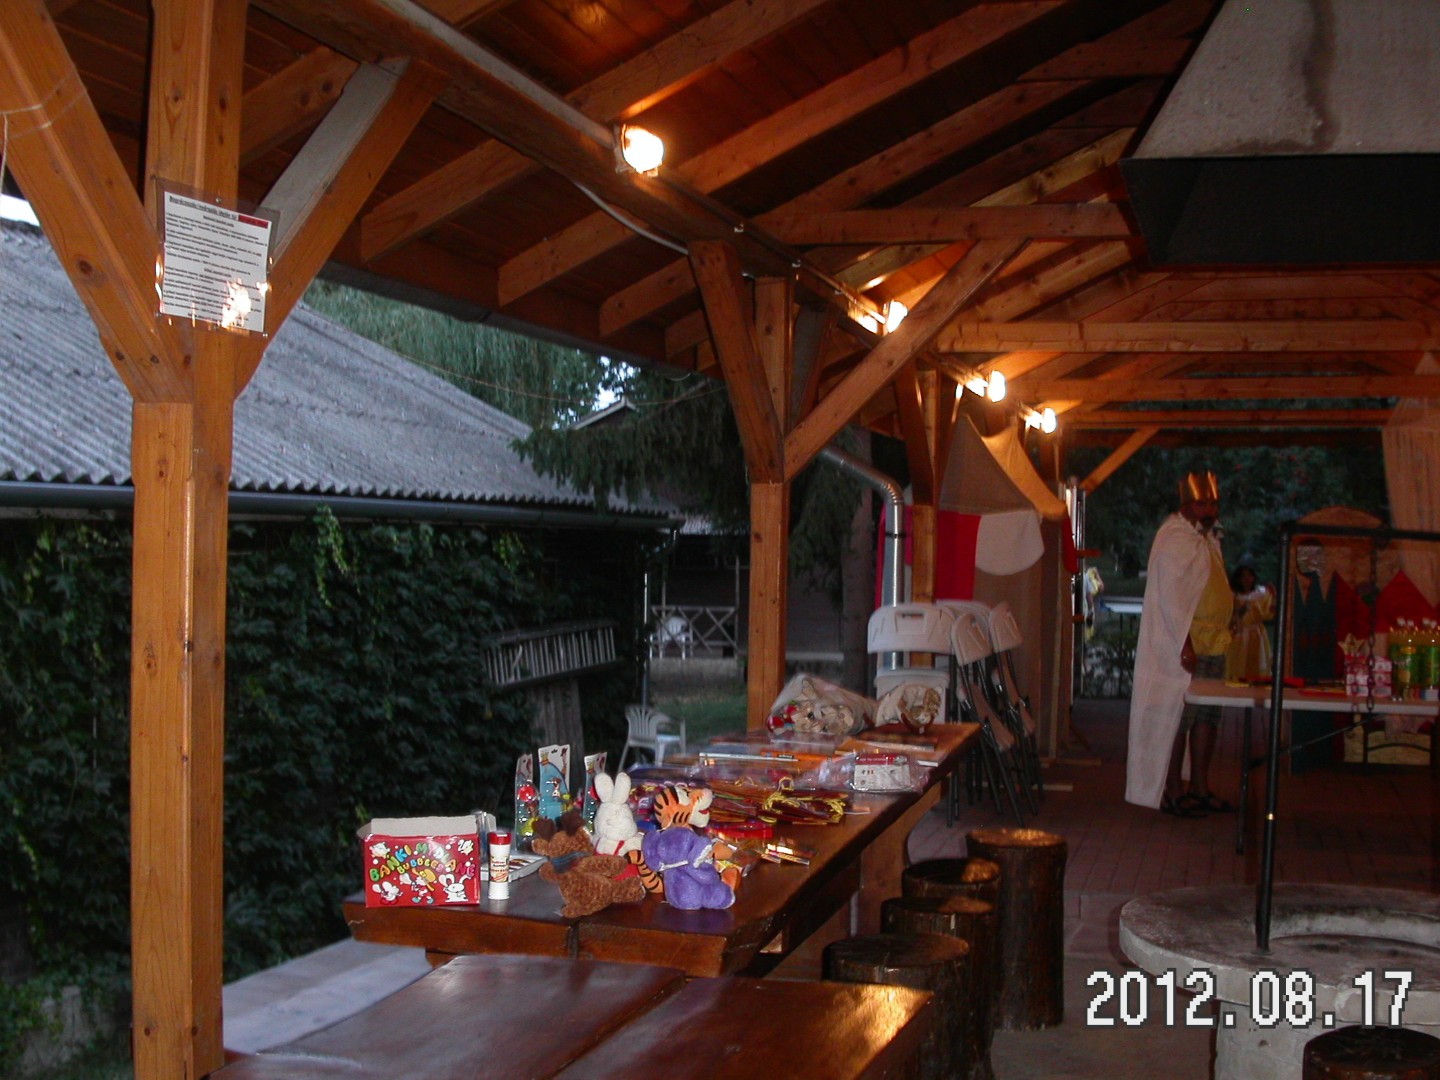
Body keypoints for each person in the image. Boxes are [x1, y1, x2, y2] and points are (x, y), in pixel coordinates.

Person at [1125, 470, 1235, 817]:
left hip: (1215, 642)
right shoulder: (1173, 537)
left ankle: (1199, 787)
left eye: (1213, 504)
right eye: (1203, 504)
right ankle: (1172, 790)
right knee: (1179, 717)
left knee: (1208, 717)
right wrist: (1184, 643)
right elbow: (1170, 597)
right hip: (1186, 644)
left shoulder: (1207, 539)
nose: (1210, 510)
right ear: (1186, 505)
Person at [1226, 564, 1275, 681]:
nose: (1247, 579)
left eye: (1249, 576)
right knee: (1239, 662)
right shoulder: (1233, 596)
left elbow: (1268, 613)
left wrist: (1274, 597)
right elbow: (1228, 616)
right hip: (1239, 633)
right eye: (1243, 577)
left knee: (1257, 662)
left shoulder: (1261, 594)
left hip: (1256, 633)